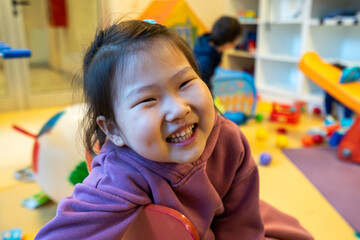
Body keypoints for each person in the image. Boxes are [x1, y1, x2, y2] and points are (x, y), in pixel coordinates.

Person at [35, 19, 313, 240]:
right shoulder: (119, 174)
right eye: (148, 99)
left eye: (184, 84)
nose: (179, 108)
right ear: (113, 130)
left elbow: (242, 226)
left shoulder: (229, 139)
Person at [194, 16, 242, 94]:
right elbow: (203, 87)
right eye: (236, 39)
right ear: (227, 44)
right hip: (198, 89)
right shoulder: (206, 61)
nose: (237, 42)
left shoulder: (210, 41)